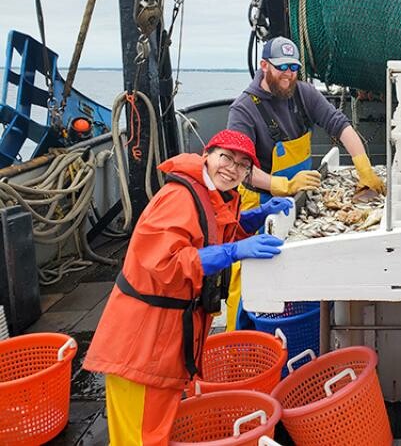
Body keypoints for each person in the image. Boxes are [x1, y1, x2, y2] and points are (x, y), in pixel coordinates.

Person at [83, 129, 291, 445]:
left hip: (166, 343)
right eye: (226, 158)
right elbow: (165, 262)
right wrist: (232, 252)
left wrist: (254, 219)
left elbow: (212, 232)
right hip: (142, 344)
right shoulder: (178, 197)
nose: (232, 169)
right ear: (207, 155)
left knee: (155, 432)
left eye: (242, 165)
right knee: (138, 439)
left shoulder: (214, 194)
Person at [226, 35, 384, 330]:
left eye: (293, 68)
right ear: (263, 66)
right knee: (249, 277)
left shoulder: (303, 93)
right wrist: (282, 185)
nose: (288, 75)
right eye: (281, 67)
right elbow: (239, 170)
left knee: (297, 273)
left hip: (299, 201)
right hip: (258, 205)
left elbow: (340, 124)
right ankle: (241, 341)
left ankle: (293, 331)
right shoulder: (243, 110)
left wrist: (364, 166)